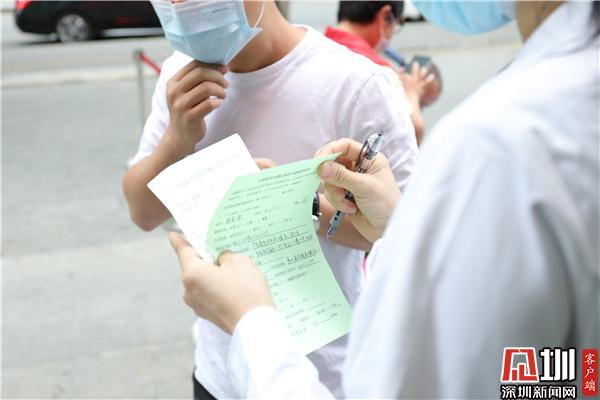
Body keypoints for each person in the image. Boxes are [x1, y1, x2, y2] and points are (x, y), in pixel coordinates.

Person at [169, 0, 599, 398]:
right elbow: (567, 374)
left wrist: (251, 322)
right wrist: (395, 226)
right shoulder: (561, 107)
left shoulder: (499, 145)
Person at [122, 0, 418, 398]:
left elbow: (405, 238)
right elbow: (142, 211)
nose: (182, 11)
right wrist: (177, 137)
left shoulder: (356, 85)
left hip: (323, 377)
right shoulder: (180, 76)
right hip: (219, 374)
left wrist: (296, 204)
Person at [325, 1, 441, 144]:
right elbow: (411, 134)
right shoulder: (378, 73)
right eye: (397, 24)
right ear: (386, 16)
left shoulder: (316, 49)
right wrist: (412, 95)